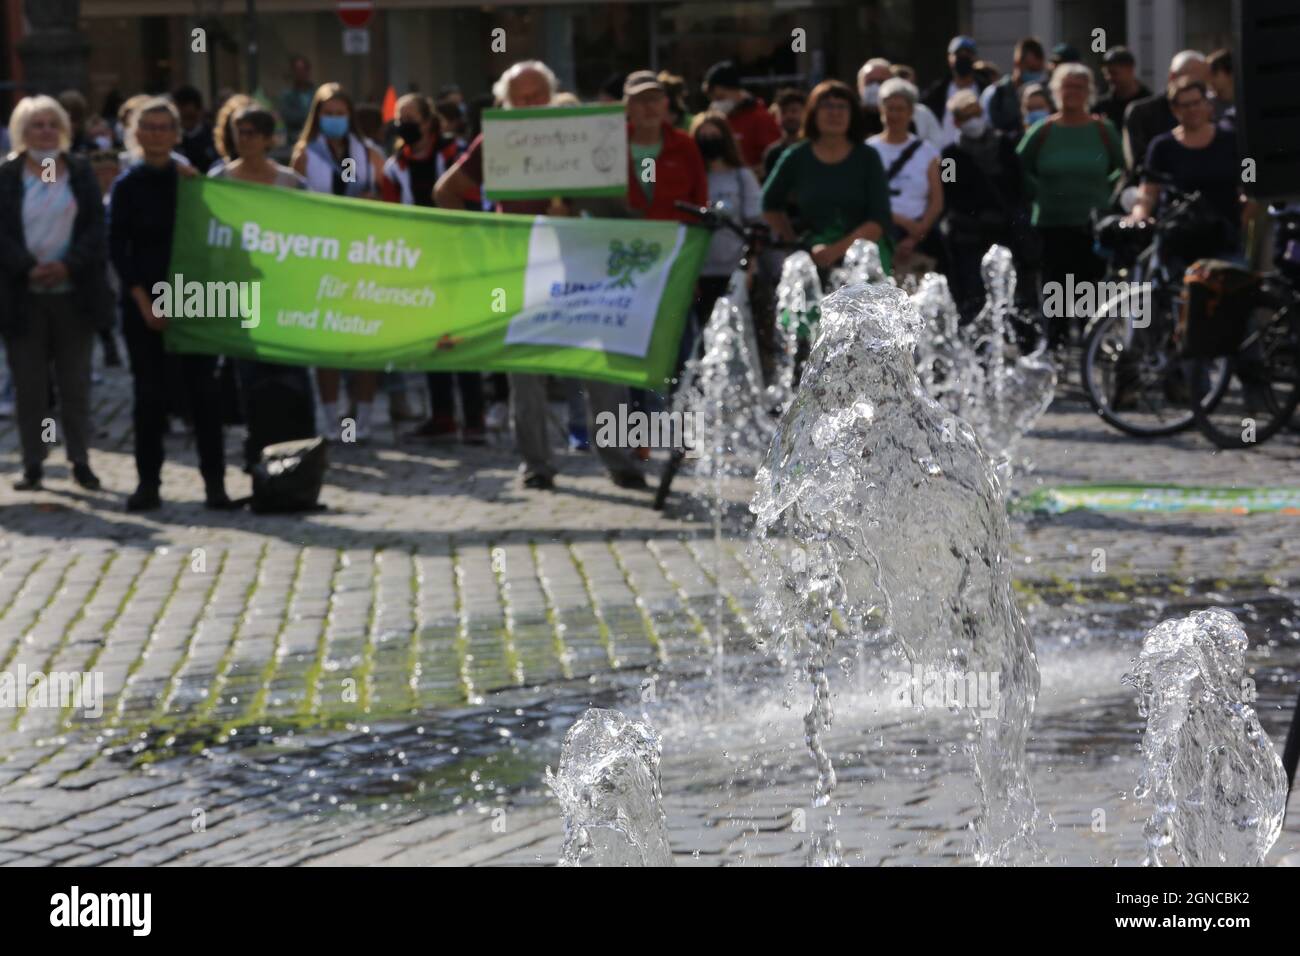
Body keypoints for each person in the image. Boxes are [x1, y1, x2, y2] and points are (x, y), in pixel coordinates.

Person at [434, 60, 646, 491]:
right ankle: (537, 464)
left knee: (604, 366)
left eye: (537, 95)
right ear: (505, 102)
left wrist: (581, 210)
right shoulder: (494, 142)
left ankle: (620, 461)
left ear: (552, 95)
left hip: (584, 266)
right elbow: (446, 191)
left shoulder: (589, 134)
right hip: (522, 268)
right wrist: (485, 239)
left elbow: (629, 203)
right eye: (520, 97)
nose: (530, 102)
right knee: (525, 371)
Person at [108, 97, 232, 510]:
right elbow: (118, 250)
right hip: (146, 299)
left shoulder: (192, 180)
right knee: (150, 397)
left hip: (192, 295)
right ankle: (149, 484)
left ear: (176, 134)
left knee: (205, 395)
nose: (158, 134)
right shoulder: (127, 186)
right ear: (137, 133)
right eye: (150, 127)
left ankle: (215, 484)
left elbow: (214, 236)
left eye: (166, 128)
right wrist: (145, 302)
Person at [0, 95, 111, 492]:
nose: (45, 131)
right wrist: (29, 267)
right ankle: (34, 461)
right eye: (36, 124)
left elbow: (96, 229)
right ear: (22, 132)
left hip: (73, 294)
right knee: (30, 387)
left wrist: (67, 265)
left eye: (51, 123)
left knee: (74, 384)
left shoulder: (78, 171)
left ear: (63, 128)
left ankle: (79, 458)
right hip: (23, 296)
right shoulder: (8, 176)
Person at [208, 106, 317, 468]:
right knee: (248, 376)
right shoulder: (220, 180)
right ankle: (257, 448)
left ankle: (298, 448)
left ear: (269, 138)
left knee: (290, 374)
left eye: (253, 131)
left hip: (283, 293)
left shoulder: (292, 184)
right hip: (239, 293)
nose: (246, 138)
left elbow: (310, 235)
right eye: (240, 131)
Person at [381, 93, 485, 445]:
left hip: (460, 257)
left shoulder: (456, 154)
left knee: (463, 336)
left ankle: (474, 419)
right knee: (433, 337)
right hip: (420, 259)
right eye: (399, 118)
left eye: (410, 117)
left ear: (428, 121)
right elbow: (390, 209)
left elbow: (475, 198)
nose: (403, 125)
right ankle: (442, 416)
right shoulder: (396, 165)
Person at [291, 83, 385, 443]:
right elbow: (293, 203)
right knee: (327, 341)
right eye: (327, 114)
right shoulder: (306, 154)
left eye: (340, 113)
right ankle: (331, 420)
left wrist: (372, 200)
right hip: (322, 257)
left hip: (364, 256)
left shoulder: (367, 152)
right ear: (318, 117)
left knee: (364, 341)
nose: (334, 120)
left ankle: (362, 417)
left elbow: (386, 197)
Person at [1017, 63, 1125, 350]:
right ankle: (1057, 355)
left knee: (1092, 293)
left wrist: (1106, 193)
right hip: (1052, 224)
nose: (1073, 92)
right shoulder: (1043, 131)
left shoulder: (1103, 129)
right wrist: (1037, 190)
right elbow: (1018, 168)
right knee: (1057, 295)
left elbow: (1123, 169)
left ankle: (1093, 353)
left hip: (1093, 226)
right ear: (1056, 90)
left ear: (1089, 91)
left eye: (1079, 86)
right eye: (1067, 86)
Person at [763, 79, 892, 272]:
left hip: (866, 259)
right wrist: (795, 245)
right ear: (813, 113)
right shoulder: (796, 156)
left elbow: (879, 219)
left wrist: (834, 252)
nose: (835, 112)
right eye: (827, 106)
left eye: (842, 106)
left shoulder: (868, 157)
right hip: (815, 258)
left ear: (852, 115)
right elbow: (769, 205)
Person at [1126, 78, 1243, 253]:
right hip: (1176, 240)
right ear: (1174, 110)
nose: (1192, 110)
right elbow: (1148, 190)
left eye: (1196, 103)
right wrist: (1139, 214)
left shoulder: (1230, 139)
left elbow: (1249, 182)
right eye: (1185, 105)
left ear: (1207, 104)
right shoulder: (1162, 146)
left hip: (1225, 241)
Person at [941, 90, 1029, 318]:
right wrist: (974, 217)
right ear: (956, 122)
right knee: (974, 296)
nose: (973, 121)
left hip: (1005, 233)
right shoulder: (950, 156)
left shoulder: (1004, 147)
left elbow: (1019, 186)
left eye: (976, 114)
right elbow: (949, 195)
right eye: (966, 116)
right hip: (970, 237)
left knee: (1011, 294)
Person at [868, 78, 944, 274]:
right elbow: (864, 197)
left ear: (911, 112)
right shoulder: (868, 150)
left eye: (900, 109)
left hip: (920, 236)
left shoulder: (927, 151)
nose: (894, 114)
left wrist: (916, 234)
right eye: (889, 108)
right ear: (881, 110)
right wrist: (903, 222)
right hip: (879, 233)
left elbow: (936, 200)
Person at [692, 111, 761, 324]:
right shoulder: (693, 178)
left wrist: (750, 266)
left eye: (715, 137)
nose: (710, 143)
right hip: (701, 271)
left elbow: (756, 224)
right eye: (703, 138)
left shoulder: (741, 176)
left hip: (736, 269)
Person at [625, 70, 708, 223]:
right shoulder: (612, 146)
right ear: (627, 107)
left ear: (666, 103)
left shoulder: (684, 145)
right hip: (624, 240)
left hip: (677, 242)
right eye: (641, 100)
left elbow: (700, 197)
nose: (649, 106)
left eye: (655, 99)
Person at [1123, 50, 1208, 177]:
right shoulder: (1142, 113)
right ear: (1173, 77)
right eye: (1192, 83)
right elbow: (1140, 165)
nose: (1192, 108)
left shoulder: (1210, 112)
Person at [701, 60, 783, 175]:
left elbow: (775, 161)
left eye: (721, 97)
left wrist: (745, 175)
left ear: (736, 91)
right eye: (713, 99)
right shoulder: (718, 119)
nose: (716, 103)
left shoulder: (760, 118)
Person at [922, 36, 985, 146]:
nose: (963, 58)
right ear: (949, 58)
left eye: (968, 54)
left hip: (978, 155)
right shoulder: (936, 92)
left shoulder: (985, 89)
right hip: (946, 158)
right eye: (959, 54)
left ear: (974, 58)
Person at [980, 37, 1047, 136]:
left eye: (1038, 70)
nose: (1035, 74)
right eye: (1031, 69)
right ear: (1017, 63)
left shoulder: (1046, 92)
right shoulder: (994, 93)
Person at [1094, 46, 1150, 132]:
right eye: (1106, 74)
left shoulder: (1148, 103)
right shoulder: (1101, 106)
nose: (1109, 78)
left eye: (1114, 73)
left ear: (1130, 69)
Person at [762, 87, 806, 180]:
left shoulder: (817, 149)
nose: (789, 116)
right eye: (783, 112)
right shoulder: (773, 154)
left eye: (794, 111)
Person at [173, 86, 219, 173]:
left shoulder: (214, 137)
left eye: (190, 117)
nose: (186, 122)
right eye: (182, 117)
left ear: (200, 111)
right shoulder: (170, 140)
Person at [210, 93, 256, 174]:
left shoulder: (275, 173)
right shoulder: (219, 173)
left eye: (250, 132)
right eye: (239, 131)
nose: (244, 138)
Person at [279, 55, 315, 147]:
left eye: (303, 70)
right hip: (293, 141)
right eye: (297, 70)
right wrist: (311, 116)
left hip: (314, 140)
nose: (300, 74)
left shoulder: (317, 93)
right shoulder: (287, 96)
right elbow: (289, 117)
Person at [1207, 49, 1234, 126]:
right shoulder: (1205, 106)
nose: (1209, 79)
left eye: (1214, 73)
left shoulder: (1246, 102)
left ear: (1231, 74)